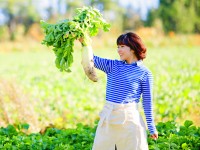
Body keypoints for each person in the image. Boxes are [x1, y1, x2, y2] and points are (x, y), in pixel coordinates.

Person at [81, 32, 158, 150]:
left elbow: (147, 102)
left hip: (130, 120)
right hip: (108, 117)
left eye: (122, 46)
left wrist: (151, 126)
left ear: (133, 48)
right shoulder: (113, 65)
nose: (118, 50)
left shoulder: (144, 73)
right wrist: (85, 43)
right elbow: (91, 59)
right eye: (118, 47)